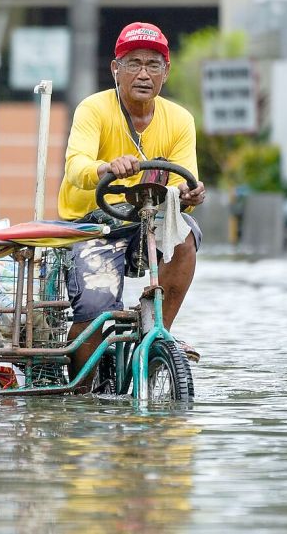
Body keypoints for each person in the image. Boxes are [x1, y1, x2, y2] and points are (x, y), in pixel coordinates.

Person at [60, 22, 207, 379]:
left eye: (153, 65)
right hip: (90, 225)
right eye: (134, 63)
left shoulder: (180, 120)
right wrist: (105, 168)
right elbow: (75, 164)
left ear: (166, 72)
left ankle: (157, 333)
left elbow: (181, 180)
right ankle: (82, 394)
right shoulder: (93, 109)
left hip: (146, 222)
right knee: (95, 310)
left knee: (185, 233)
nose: (144, 74)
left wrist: (191, 194)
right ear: (116, 69)